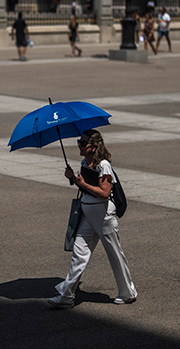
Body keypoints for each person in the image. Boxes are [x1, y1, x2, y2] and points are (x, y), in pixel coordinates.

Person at [48, 129, 138, 309]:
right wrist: (73, 178)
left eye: (83, 143)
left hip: (103, 215)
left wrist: (81, 183)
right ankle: (67, 295)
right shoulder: (84, 162)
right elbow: (86, 187)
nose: (79, 146)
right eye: (79, 142)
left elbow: (104, 193)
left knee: (114, 253)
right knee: (79, 255)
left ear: (94, 146)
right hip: (87, 214)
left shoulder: (103, 165)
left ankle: (128, 292)